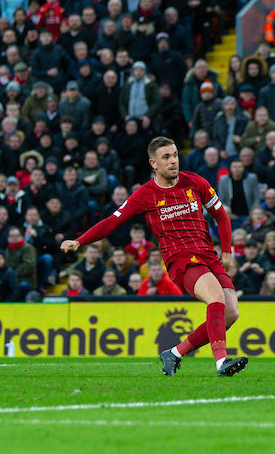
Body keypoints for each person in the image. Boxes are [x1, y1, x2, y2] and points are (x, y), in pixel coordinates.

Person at [61, 137, 246, 377]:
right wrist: (79, 241)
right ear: (153, 164)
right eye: (166, 157)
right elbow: (112, 222)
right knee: (216, 298)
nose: (173, 161)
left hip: (208, 255)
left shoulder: (196, 182)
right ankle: (222, 361)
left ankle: (175, 353)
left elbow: (221, 216)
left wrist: (228, 251)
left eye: (176, 155)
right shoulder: (145, 195)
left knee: (231, 312)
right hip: (181, 260)